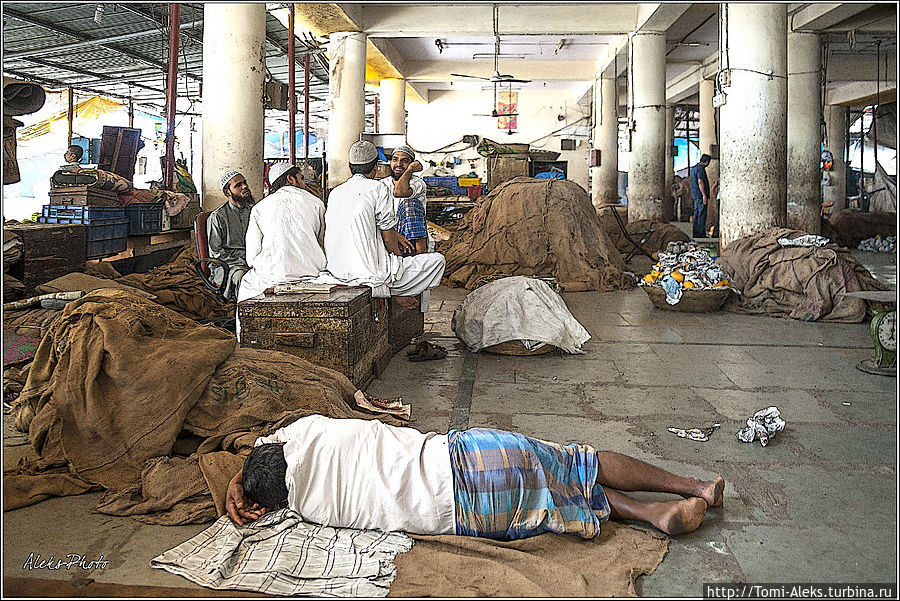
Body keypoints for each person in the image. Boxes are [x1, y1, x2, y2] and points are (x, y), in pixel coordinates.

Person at [225, 414, 724, 540]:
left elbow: (276, 493)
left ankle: (655, 514)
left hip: (467, 515)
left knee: (558, 495)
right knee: (575, 463)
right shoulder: (307, 432)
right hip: (467, 458)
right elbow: (267, 441)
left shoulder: (310, 510)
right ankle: (692, 488)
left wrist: (247, 493)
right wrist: (239, 475)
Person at [321, 140, 445, 311]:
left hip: (337, 270)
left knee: (409, 208)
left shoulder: (335, 193)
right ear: (377, 167)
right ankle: (397, 291)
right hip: (370, 271)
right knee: (438, 261)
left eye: (404, 161)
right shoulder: (379, 187)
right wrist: (396, 260)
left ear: (350, 166)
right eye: (395, 159)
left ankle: (396, 290)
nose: (399, 164)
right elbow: (387, 237)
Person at [235, 162, 327, 339]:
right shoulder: (316, 203)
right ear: (290, 178)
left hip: (271, 276)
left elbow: (252, 256)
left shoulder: (259, 208)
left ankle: (245, 340)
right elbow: (323, 243)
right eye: (300, 177)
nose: (304, 183)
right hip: (310, 274)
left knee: (247, 286)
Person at [207, 169, 255, 299]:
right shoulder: (217, 217)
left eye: (244, 183)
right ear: (227, 192)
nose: (245, 186)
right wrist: (243, 261)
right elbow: (216, 253)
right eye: (238, 185)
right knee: (243, 277)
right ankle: (243, 316)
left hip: (254, 261)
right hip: (229, 265)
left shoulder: (254, 212)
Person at [689, 154, 711, 239]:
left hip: (695, 195)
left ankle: (696, 233)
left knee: (696, 214)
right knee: (701, 214)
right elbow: (700, 182)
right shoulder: (701, 169)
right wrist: (704, 195)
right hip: (700, 195)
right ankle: (701, 233)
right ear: (707, 161)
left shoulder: (694, 168)